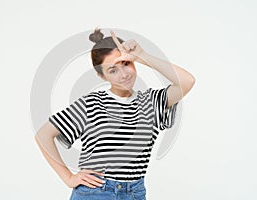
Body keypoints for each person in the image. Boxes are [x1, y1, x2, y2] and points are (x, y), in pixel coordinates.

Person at [35, 28, 196, 200]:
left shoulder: (151, 102)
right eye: (113, 70)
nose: (124, 74)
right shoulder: (91, 104)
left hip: (134, 193)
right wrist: (68, 177)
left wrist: (143, 56)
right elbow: (43, 135)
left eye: (126, 63)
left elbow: (187, 81)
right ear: (102, 76)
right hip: (95, 192)